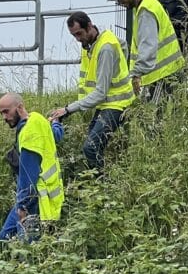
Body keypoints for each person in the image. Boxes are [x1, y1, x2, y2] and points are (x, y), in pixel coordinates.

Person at [48, 12, 135, 171]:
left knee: (91, 148)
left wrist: (68, 110)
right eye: (74, 35)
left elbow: (101, 92)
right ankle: (99, 181)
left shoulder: (105, 49)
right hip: (106, 104)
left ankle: (103, 185)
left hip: (116, 104)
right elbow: (123, 45)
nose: (77, 39)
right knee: (92, 144)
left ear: (89, 26)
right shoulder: (93, 42)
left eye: (79, 34)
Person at [0, 93, 64, 242]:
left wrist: (22, 208)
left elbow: (28, 177)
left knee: (26, 250)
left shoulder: (29, 134)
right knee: (3, 238)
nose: (4, 117)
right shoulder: (38, 119)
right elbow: (57, 135)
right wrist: (56, 122)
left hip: (35, 199)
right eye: (1, 113)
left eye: (6, 111)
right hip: (41, 196)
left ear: (19, 107)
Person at [107, 0, 185, 104]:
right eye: (118, 0)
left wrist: (136, 73)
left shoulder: (145, 12)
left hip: (162, 74)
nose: (121, 2)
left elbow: (147, 46)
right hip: (163, 72)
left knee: (155, 119)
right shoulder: (147, 3)